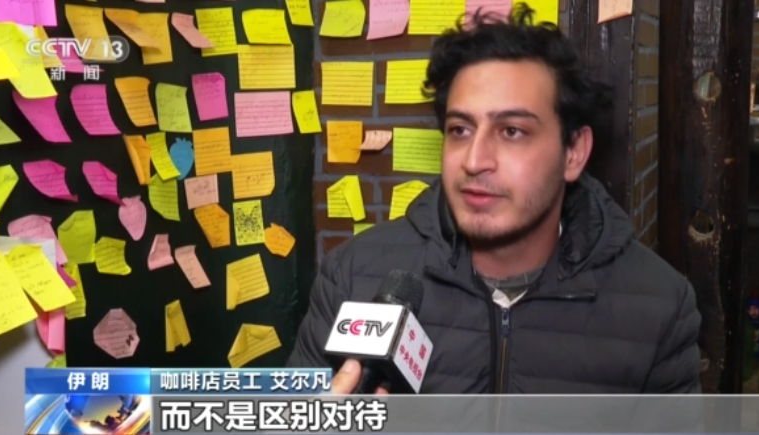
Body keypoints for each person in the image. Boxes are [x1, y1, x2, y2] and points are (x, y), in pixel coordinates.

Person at [288, 5, 702, 394]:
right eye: (460, 130)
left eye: (512, 131)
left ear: (574, 152)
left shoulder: (658, 308)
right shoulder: (353, 278)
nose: (474, 161)